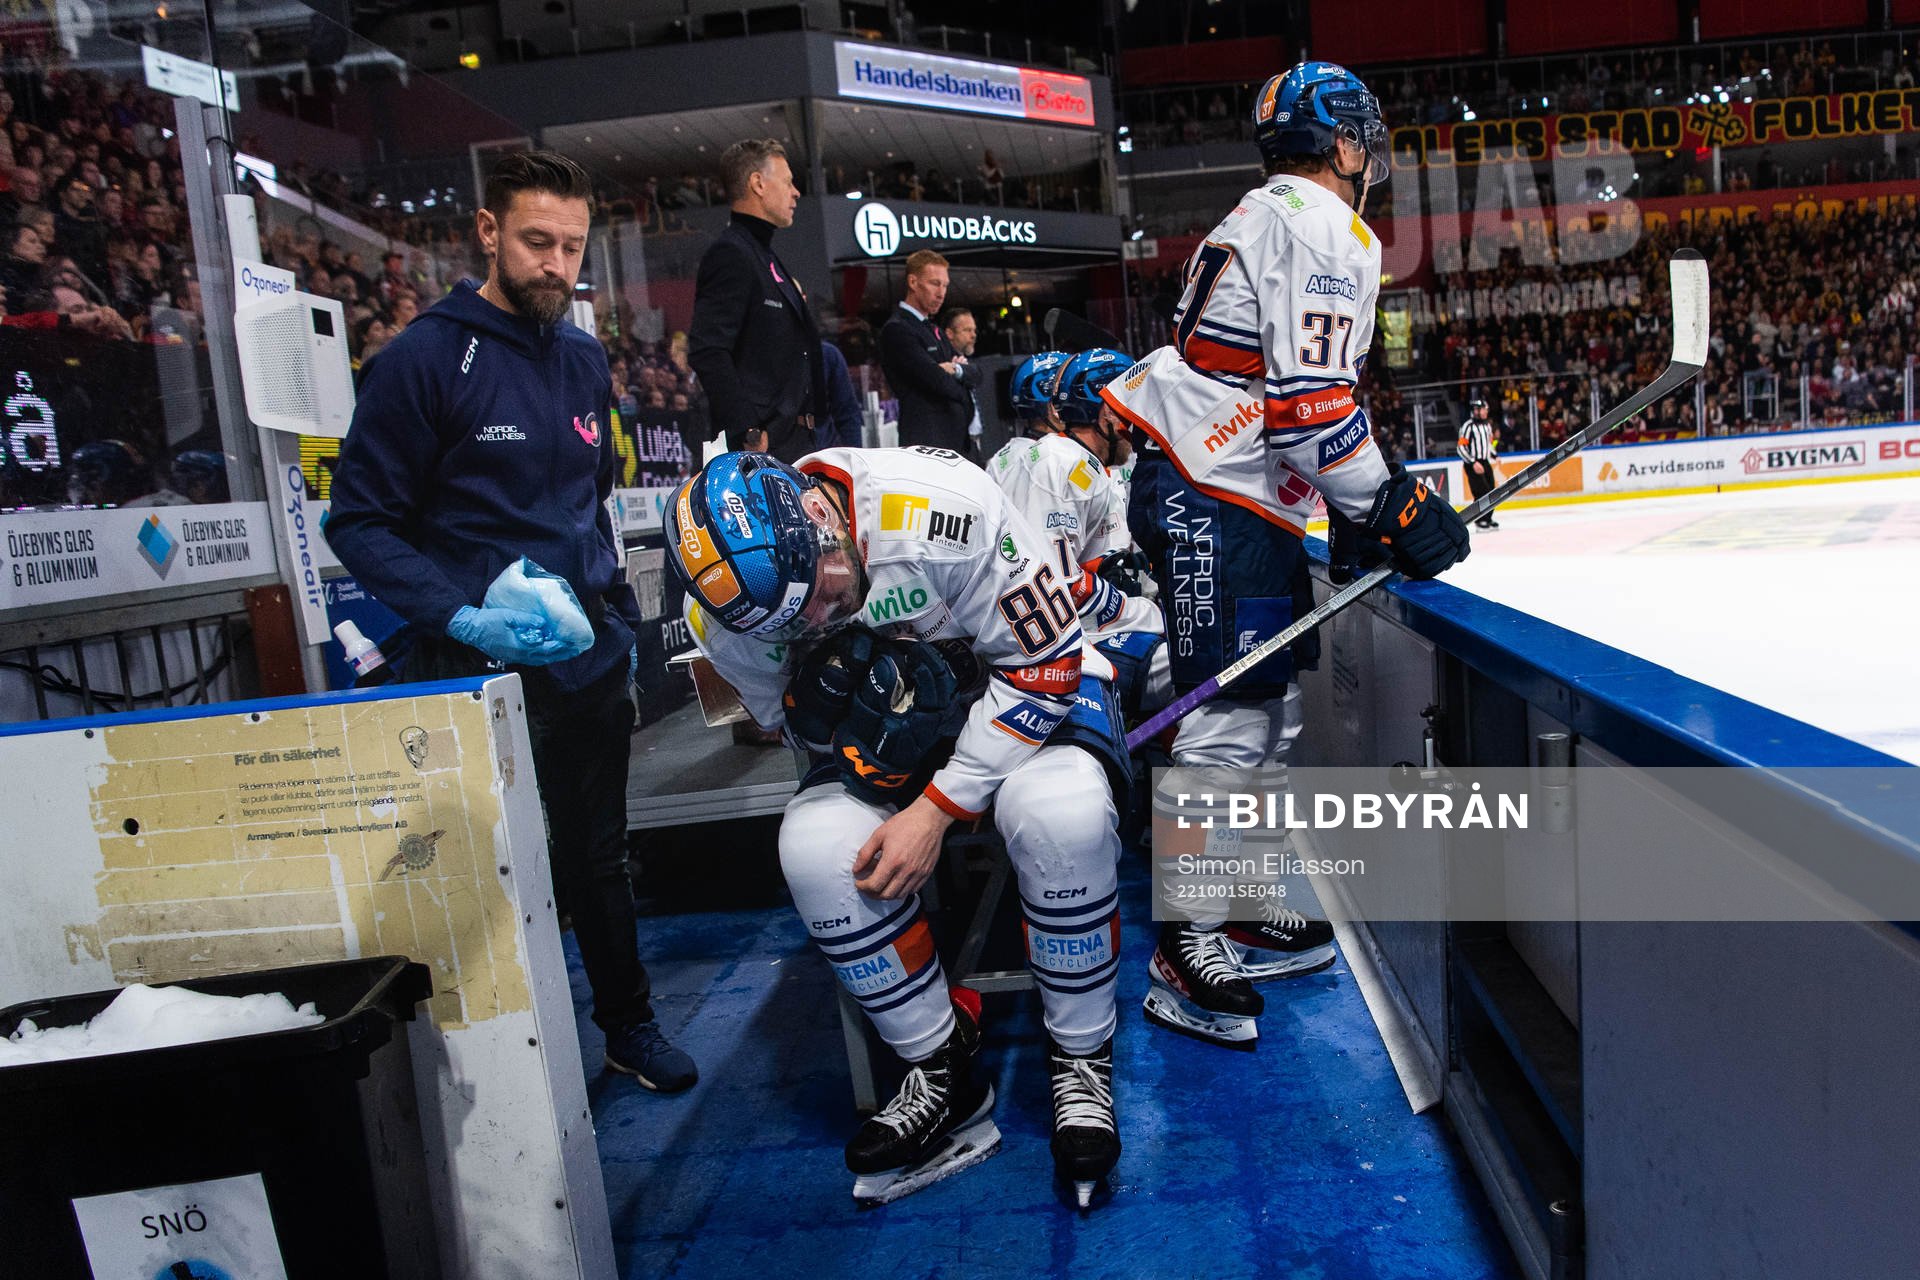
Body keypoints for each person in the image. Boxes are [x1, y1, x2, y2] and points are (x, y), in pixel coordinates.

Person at [1103, 60, 1471, 1048]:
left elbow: (1289, 402)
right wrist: (1386, 504)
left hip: (1219, 485)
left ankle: (1240, 898)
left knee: (1270, 714)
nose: (1371, 153)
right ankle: (1183, 942)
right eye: (1366, 136)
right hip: (1208, 491)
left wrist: (1362, 506)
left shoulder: (1271, 211)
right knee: (1228, 717)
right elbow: (1311, 410)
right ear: (1345, 144)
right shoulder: (1324, 226)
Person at [665, 446, 1127, 1207]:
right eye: (795, 622)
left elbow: (1047, 662)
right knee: (814, 849)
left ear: (819, 513)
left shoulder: (942, 504)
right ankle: (943, 1068)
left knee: (1061, 815)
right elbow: (801, 734)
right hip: (894, 728)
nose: (816, 620)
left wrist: (937, 811)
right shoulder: (725, 622)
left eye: (816, 594)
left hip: (1018, 685)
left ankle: (1082, 1057)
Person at [324, 150, 696, 1094]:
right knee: (487, 872)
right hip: (472, 673)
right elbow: (358, 523)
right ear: (488, 233)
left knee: (600, 860)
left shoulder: (581, 356)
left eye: (572, 247)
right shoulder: (420, 359)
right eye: (537, 242)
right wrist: (463, 615)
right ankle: (499, 1061)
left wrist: (611, 615)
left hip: (586, 666)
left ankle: (628, 1026)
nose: (556, 266)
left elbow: (589, 498)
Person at [687, 138, 826, 461]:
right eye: (788, 182)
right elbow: (708, 349)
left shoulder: (765, 256)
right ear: (758, 183)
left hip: (795, 441)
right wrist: (747, 427)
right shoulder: (731, 253)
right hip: (763, 446)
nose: (796, 192)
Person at [879, 251, 975, 455]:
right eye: (935, 283)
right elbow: (937, 380)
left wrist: (956, 369)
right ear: (913, 282)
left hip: (957, 444)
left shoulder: (934, 329)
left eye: (945, 285)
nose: (942, 293)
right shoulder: (897, 329)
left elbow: (975, 374)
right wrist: (961, 380)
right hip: (928, 446)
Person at [941, 305, 985, 449]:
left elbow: (977, 374)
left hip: (973, 442)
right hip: (953, 443)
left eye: (974, 330)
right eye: (967, 330)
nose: (973, 335)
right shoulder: (942, 362)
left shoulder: (966, 363)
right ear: (949, 333)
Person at [1457, 396, 1499, 530]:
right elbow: (1461, 447)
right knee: (1481, 491)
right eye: (1483, 409)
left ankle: (1487, 518)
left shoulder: (1487, 425)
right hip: (1472, 463)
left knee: (1492, 491)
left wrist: (1494, 455)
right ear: (1476, 410)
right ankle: (1479, 520)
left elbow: (1488, 443)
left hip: (1484, 462)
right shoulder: (1468, 426)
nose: (1486, 412)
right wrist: (1473, 462)